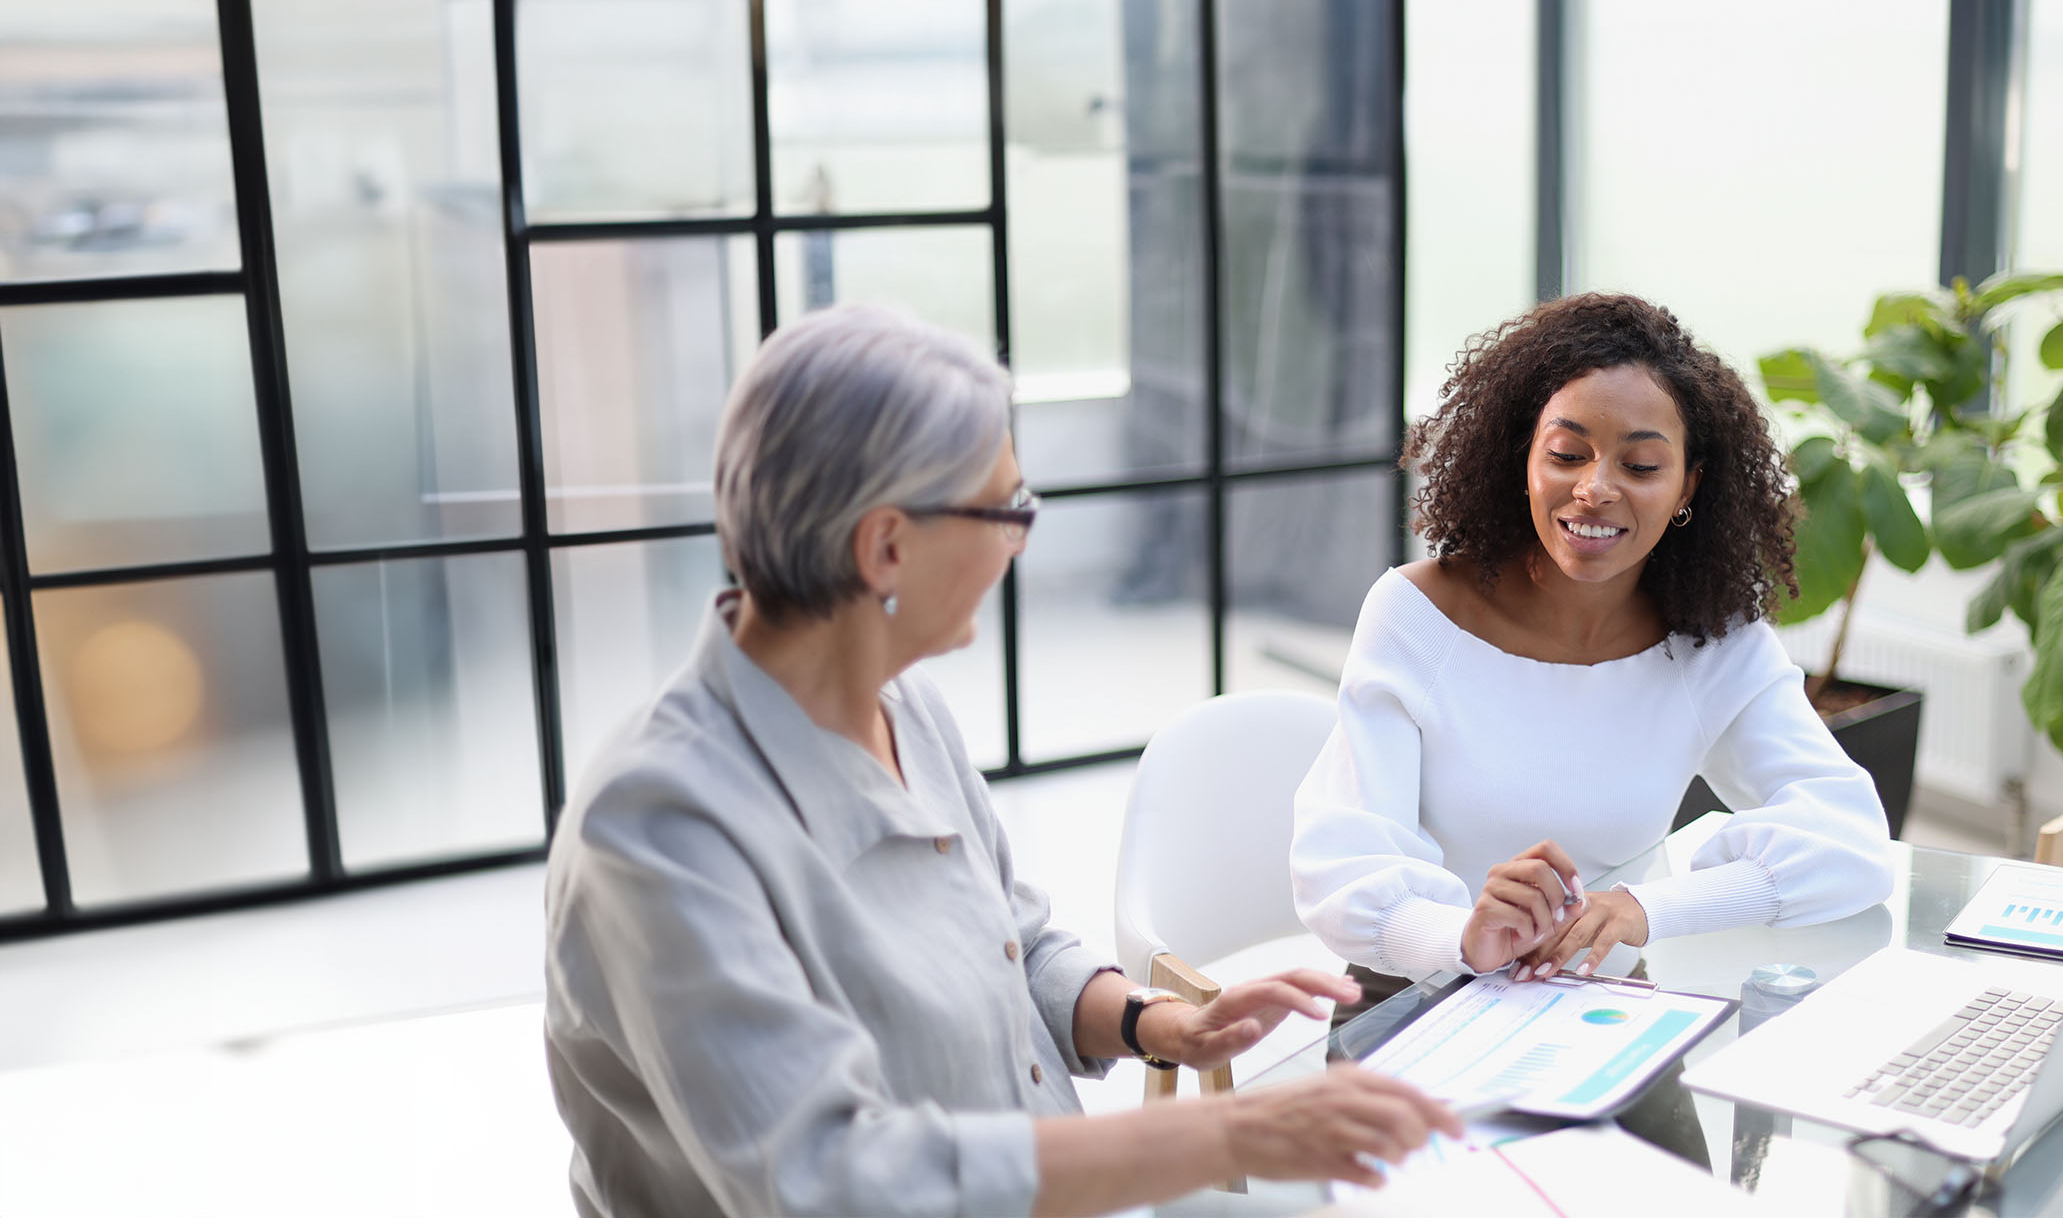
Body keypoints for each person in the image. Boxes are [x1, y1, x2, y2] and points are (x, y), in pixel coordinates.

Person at [543, 305, 1460, 1218]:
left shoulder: (901, 703)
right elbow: (827, 1179)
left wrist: (1161, 1025)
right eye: (1005, 508)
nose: (1020, 537)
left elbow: (1014, 947)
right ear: (887, 547)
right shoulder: (659, 830)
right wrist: (1225, 1138)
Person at [1290, 292, 1894, 1015]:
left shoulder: (1711, 643)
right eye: (1567, 454)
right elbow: (1341, 866)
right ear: (1524, 461)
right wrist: (1464, 936)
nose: (1595, 489)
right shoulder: (1418, 617)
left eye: (1640, 466)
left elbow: (1852, 838)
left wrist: (1646, 908)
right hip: (1414, 998)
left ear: (1686, 487)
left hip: (1601, 1005)